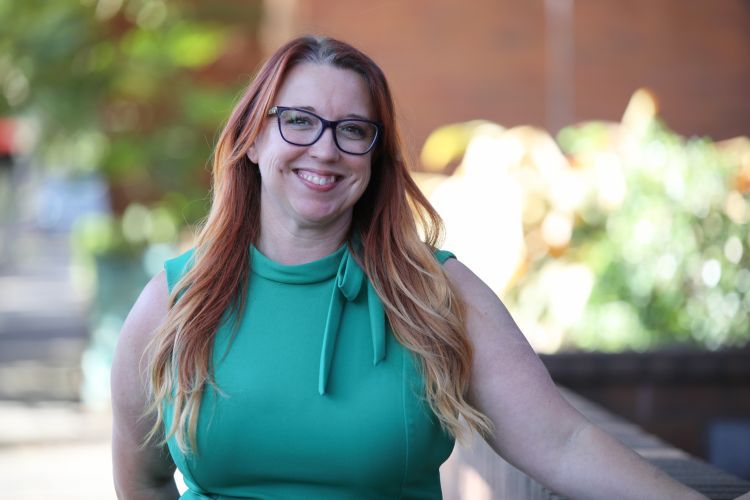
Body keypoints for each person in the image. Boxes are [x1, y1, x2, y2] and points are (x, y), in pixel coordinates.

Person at [111, 35, 715, 500]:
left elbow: (562, 443)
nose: (325, 149)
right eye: (298, 120)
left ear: (376, 157)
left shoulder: (435, 293)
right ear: (252, 137)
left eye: (353, 131)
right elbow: (141, 480)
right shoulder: (175, 302)